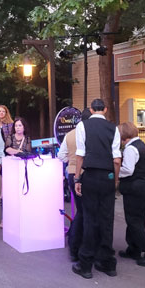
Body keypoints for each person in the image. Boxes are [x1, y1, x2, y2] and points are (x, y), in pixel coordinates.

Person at [72, 98, 121, 280]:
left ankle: (85, 265)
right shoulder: (113, 128)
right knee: (106, 219)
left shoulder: (83, 126)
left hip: (90, 175)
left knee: (90, 219)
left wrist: (78, 178)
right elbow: (117, 159)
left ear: (91, 110)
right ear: (105, 110)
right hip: (107, 176)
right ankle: (107, 263)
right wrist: (114, 180)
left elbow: (80, 155)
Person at [118, 122, 145, 267]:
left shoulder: (130, 149)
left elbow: (128, 169)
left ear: (124, 136)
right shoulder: (143, 146)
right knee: (138, 220)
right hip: (143, 186)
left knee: (133, 221)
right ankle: (133, 248)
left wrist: (116, 172)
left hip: (134, 187)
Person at [57, 108, 92, 261]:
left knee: (81, 210)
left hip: (72, 173)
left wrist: (70, 162)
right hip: (88, 174)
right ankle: (76, 244)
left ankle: (76, 243)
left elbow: (60, 155)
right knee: (85, 211)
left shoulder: (70, 135)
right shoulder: (90, 134)